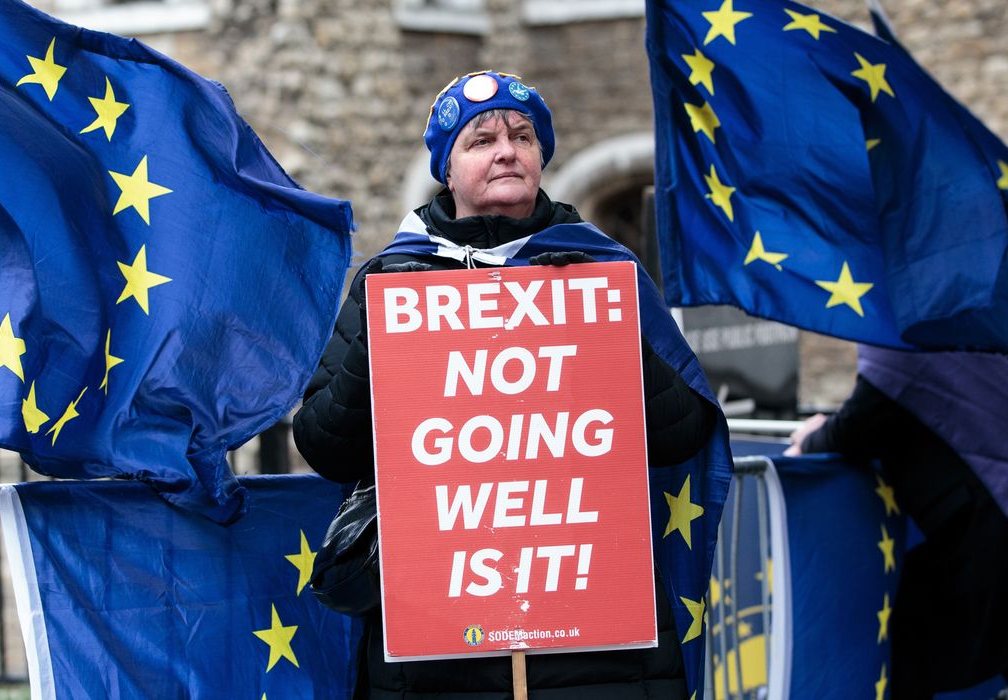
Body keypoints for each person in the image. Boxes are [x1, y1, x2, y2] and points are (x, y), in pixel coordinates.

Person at [294, 71, 724, 699]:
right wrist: (386, 334)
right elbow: (325, 447)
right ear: (448, 167)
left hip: (596, 649)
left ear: (541, 157)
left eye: (523, 136)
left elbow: (684, 431)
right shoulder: (386, 280)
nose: (506, 150)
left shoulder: (602, 270)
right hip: (438, 651)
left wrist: (597, 326)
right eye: (481, 139)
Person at [786, 346, 1008, 700]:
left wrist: (811, 438)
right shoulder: (959, 330)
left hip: (1003, 529)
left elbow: (862, 421)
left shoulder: (902, 341)